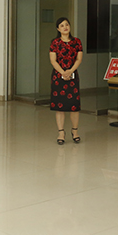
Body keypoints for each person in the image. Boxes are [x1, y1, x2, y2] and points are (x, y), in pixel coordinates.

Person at [49, 17, 83, 145]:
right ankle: (61, 133)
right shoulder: (55, 43)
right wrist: (63, 72)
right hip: (58, 77)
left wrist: (70, 71)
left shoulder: (77, 42)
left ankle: (75, 131)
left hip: (73, 76)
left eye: (67, 24)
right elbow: (53, 61)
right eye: (62, 25)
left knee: (74, 106)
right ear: (58, 29)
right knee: (60, 107)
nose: (65, 27)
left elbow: (79, 59)